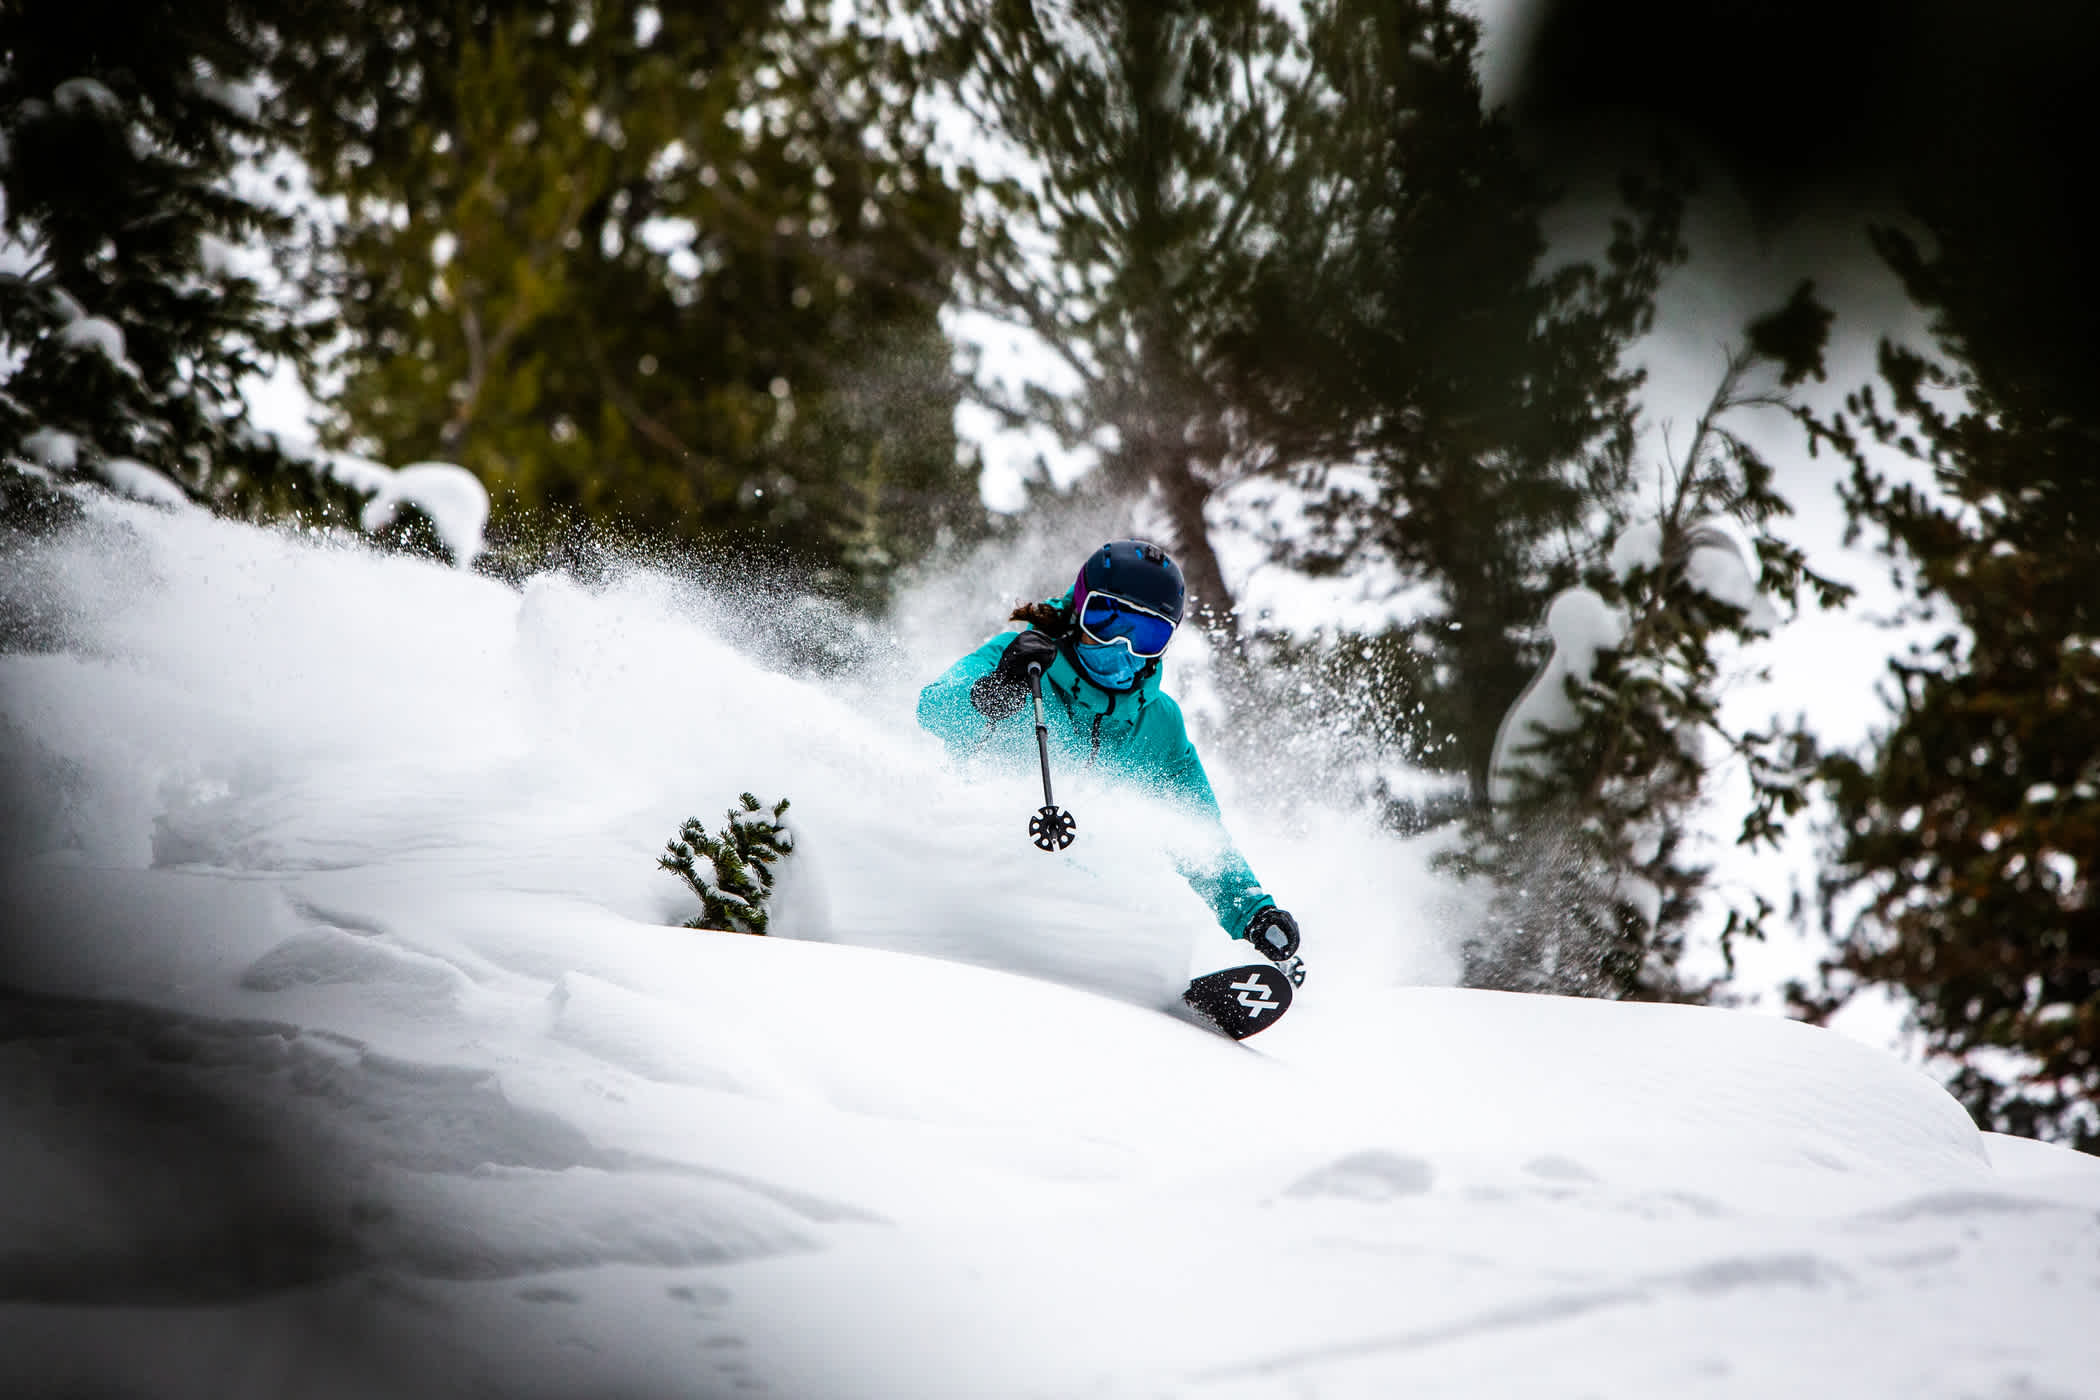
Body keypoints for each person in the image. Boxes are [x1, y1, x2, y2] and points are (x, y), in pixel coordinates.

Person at [917, 539, 1302, 973]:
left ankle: (1139, 978)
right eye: (1108, 620)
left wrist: (1253, 913)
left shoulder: (1157, 726)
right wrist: (998, 690)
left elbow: (1197, 834)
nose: (1123, 646)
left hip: (1076, 913)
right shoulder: (1021, 660)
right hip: (974, 876)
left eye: (1149, 634)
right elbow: (933, 712)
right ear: (1079, 609)